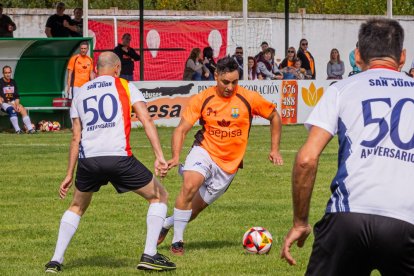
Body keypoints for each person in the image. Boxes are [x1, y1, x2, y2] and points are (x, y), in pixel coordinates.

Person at [281, 18, 414, 275]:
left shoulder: (341, 89)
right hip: (406, 219)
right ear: (403, 57)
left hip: (347, 218)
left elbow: (306, 159)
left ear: (357, 55)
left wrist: (300, 222)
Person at [44, 52, 176, 273]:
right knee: (159, 196)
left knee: (77, 206)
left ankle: (55, 261)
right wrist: (159, 156)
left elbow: (76, 137)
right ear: (116, 68)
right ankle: (150, 254)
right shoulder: (124, 85)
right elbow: (145, 118)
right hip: (118, 157)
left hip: (89, 161)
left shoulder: (81, 92)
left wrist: (69, 173)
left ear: (96, 69)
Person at [157, 56, 284, 255]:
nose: (230, 87)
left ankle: (167, 223)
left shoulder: (248, 98)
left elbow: (275, 116)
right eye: (225, 82)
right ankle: (177, 241)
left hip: (228, 166)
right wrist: (175, 156)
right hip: (204, 150)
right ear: (216, 76)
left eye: (235, 82)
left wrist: (275, 149)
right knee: (190, 185)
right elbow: (181, 129)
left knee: (194, 210)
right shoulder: (202, 98)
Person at [0, 66, 35, 134]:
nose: (8, 74)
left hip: (12, 101)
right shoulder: (0, 82)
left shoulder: (13, 82)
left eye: (9, 72)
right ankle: (18, 130)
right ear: (3, 73)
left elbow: (16, 96)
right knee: (11, 109)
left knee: (22, 109)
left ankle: (30, 129)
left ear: (11, 72)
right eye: (6, 73)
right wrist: (12, 105)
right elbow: (3, 97)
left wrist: (17, 104)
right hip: (3, 102)